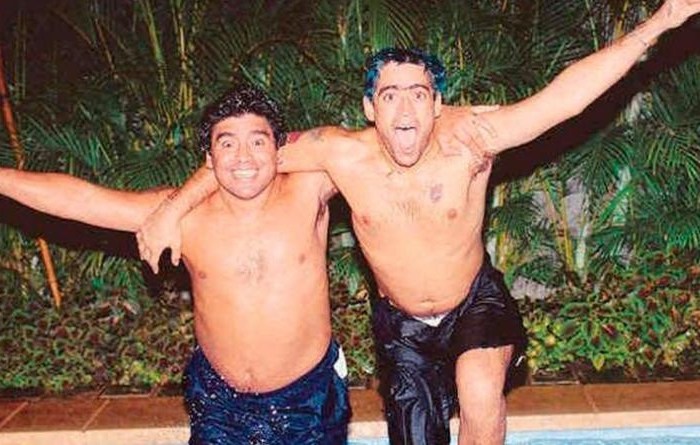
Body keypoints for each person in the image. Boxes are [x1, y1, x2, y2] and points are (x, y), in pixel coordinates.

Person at [136, 2, 700, 444]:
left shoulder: (472, 141)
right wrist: (171, 209)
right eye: (389, 96)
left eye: (418, 95)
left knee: (480, 392)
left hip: (473, 303)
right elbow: (246, 156)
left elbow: (565, 99)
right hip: (401, 324)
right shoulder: (340, 153)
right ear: (369, 108)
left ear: (437, 104)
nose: (404, 110)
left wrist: (661, 22)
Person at [0, 85, 351, 444]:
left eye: (258, 141)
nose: (243, 157)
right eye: (227, 143)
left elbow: (349, 146)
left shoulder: (309, 190)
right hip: (219, 404)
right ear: (209, 158)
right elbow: (83, 201)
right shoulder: (185, 217)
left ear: (279, 149)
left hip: (309, 400)